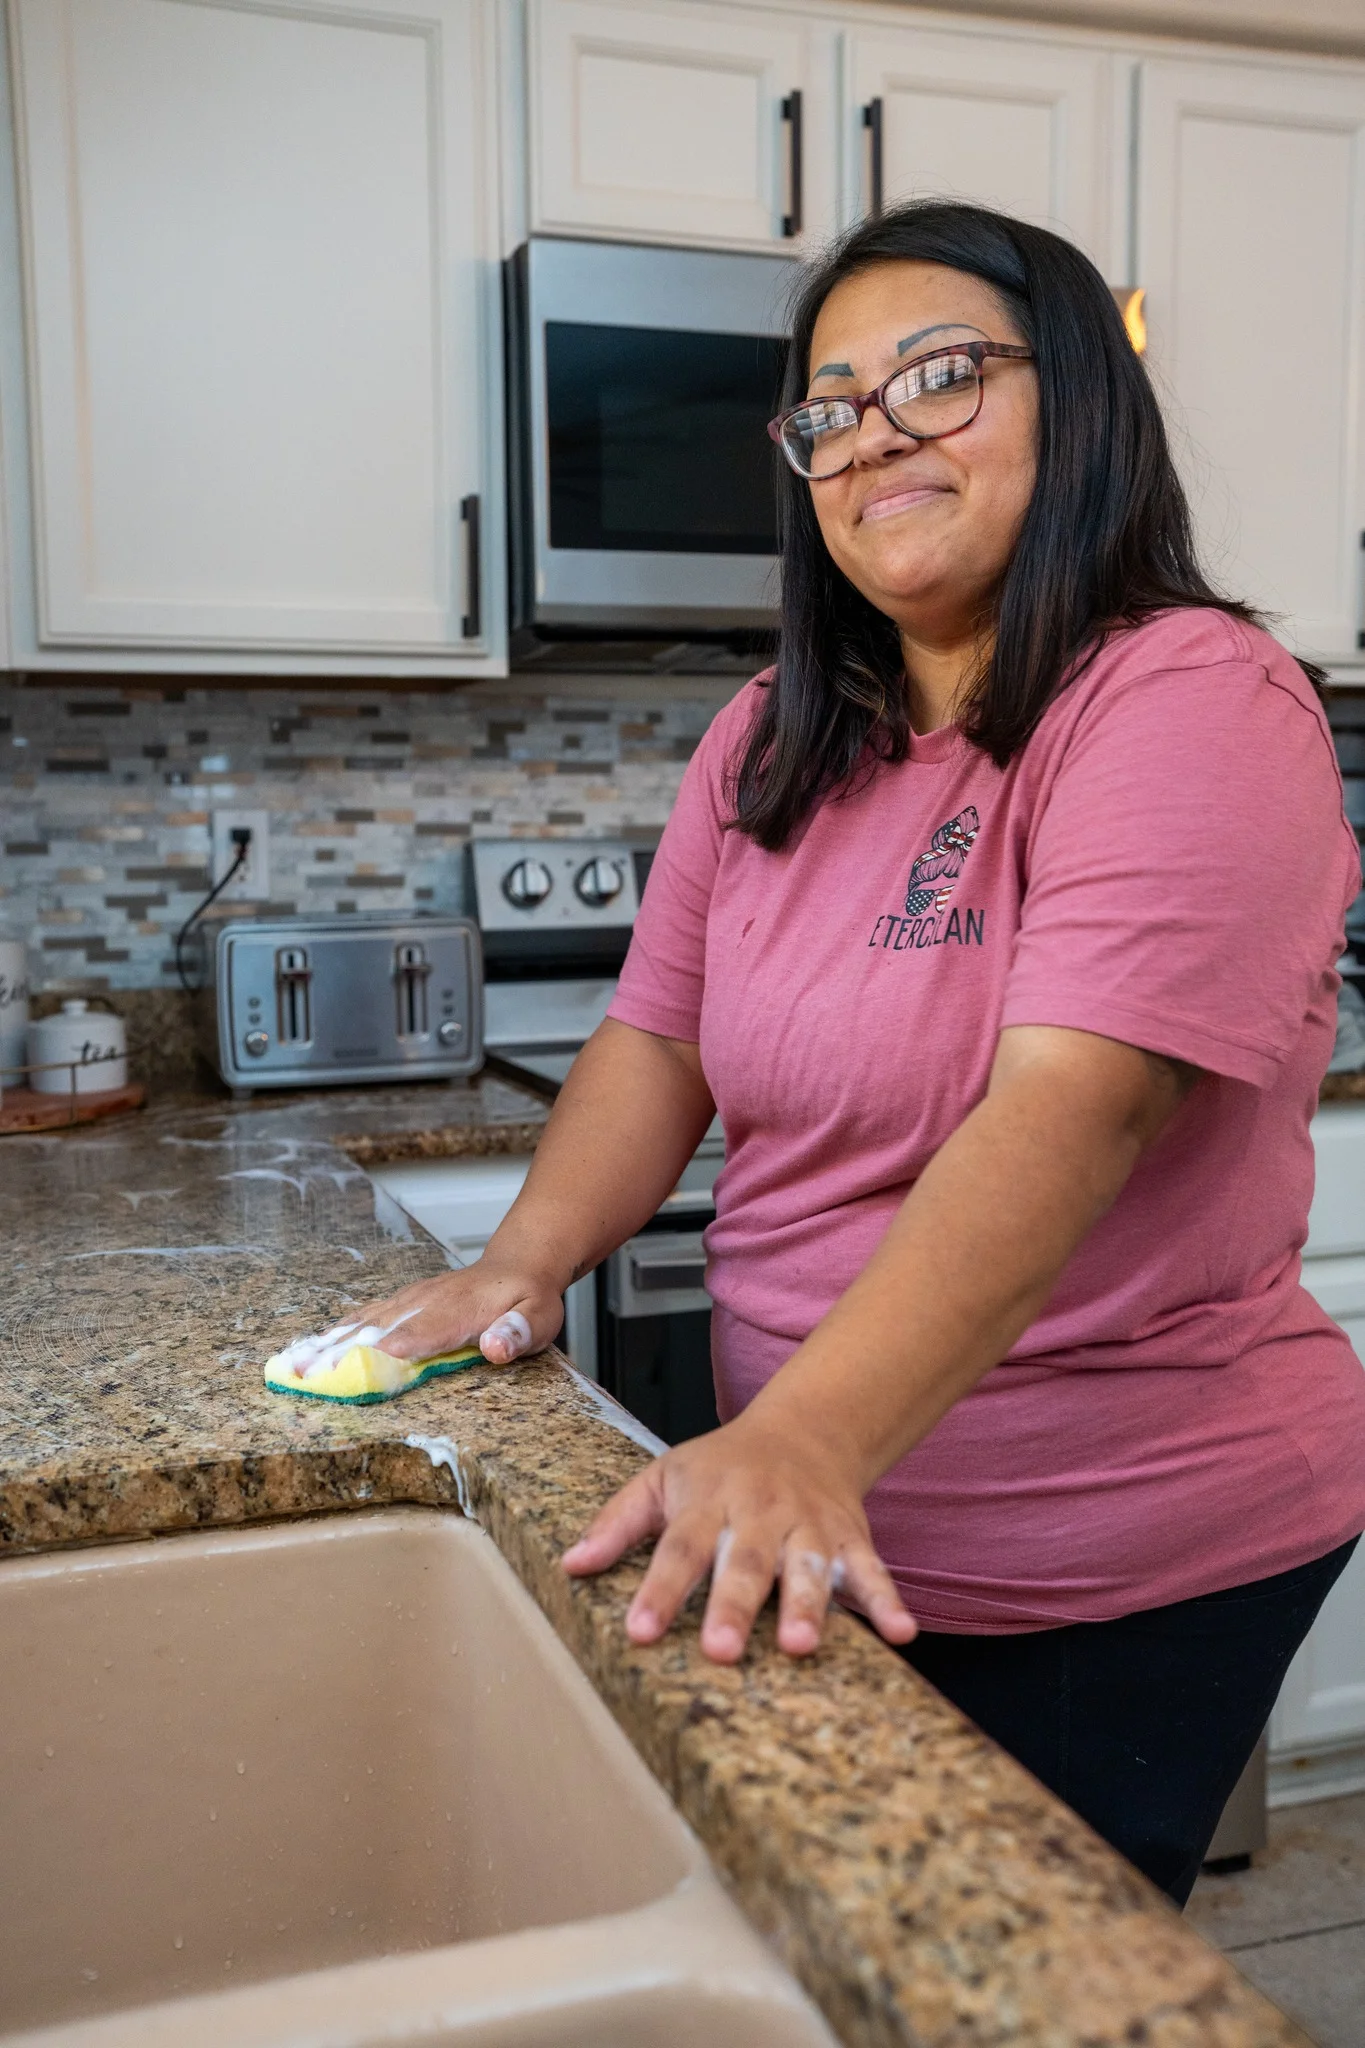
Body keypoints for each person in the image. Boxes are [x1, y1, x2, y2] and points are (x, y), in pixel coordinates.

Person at [357, 202, 1365, 1903]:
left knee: (996, 1980)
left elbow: (1075, 1106)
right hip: (843, 1516)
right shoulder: (773, 733)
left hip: (1109, 1548)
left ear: (1087, 406)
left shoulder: (1191, 695)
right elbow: (653, 1039)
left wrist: (806, 1437)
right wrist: (516, 1266)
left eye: (943, 374)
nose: (875, 428)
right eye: (830, 404)